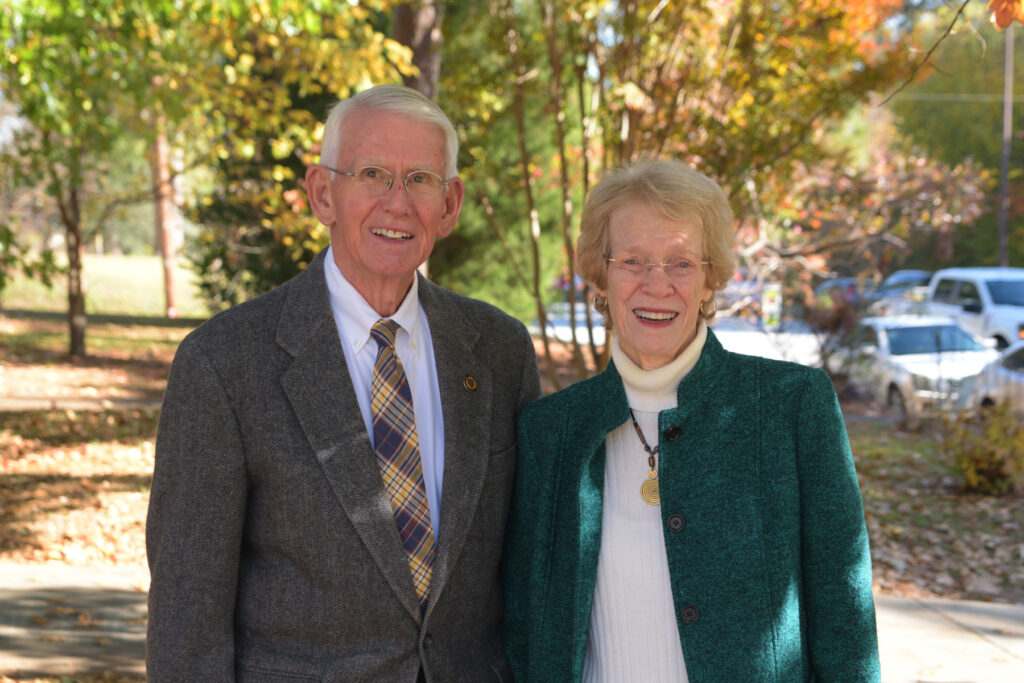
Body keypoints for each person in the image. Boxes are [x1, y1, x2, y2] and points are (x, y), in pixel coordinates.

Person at [146, 85, 541, 681]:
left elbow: (526, 574)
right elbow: (186, 618)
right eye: (373, 174)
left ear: (451, 204)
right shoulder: (225, 364)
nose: (397, 203)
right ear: (322, 193)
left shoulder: (499, 352)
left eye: (421, 180)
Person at [503, 159, 879, 682]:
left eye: (680, 263)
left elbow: (844, 613)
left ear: (709, 281)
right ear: (601, 276)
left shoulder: (792, 406)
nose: (656, 285)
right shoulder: (550, 431)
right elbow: (524, 627)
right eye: (632, 261)